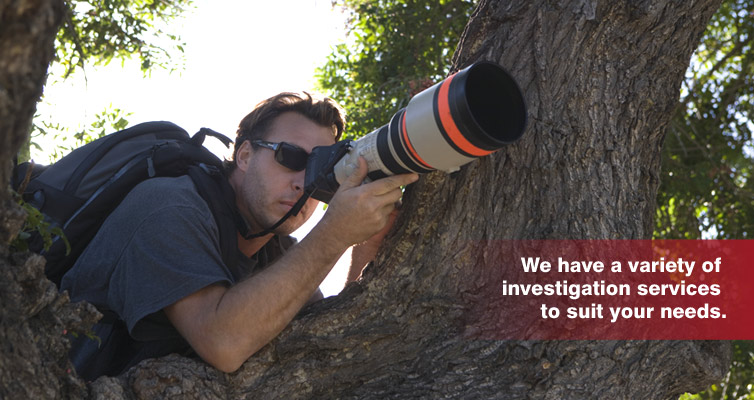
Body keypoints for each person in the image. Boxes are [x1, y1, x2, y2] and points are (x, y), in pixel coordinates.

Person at [60, 92, 419, 380]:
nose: (302, 181)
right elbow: (222, 343)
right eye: (290, 156)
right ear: (245, 154)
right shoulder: (171, 207)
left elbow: (330, 333)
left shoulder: (278, 252)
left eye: (319, 169)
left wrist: (364, 250)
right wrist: (334, 234)